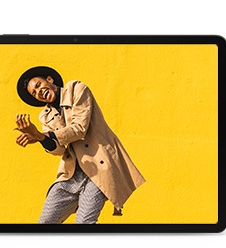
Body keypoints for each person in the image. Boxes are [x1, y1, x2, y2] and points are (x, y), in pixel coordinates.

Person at [12, 66, 145, 224]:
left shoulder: (76, 89)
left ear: (49, 79)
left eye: (39, 85)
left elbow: (79, 129)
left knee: (84, 223)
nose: (38, 92)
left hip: (98, 169)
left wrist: (41, 135)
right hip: (70, 173)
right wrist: (40, 137)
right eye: (34, 93)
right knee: (45, 223)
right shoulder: (45, 116)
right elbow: (59, 150)